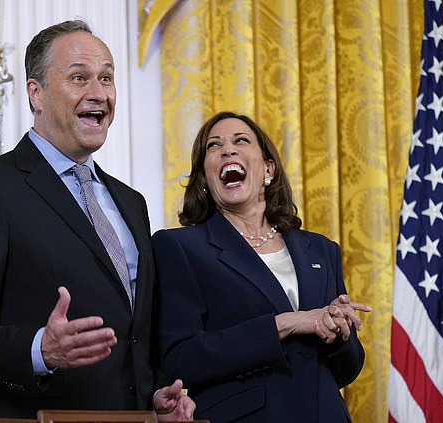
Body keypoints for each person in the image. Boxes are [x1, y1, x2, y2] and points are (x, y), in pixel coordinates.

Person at [0, 20, 194, 423]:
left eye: (106, 78)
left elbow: (134, 333)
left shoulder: (131, 202)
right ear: (35, 93)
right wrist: (40, 349)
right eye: (79, 78)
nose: (99, 93)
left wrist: (156, 393)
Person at [152, 111, 371, 422]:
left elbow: (347, 370)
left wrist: (338, 331)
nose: (227, 149)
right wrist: (286, 323)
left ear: (268, 168)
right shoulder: (181, 247)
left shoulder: (321, 249)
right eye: (214, 146)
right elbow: (181, 359)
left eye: (241, 140)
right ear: (204, 177)